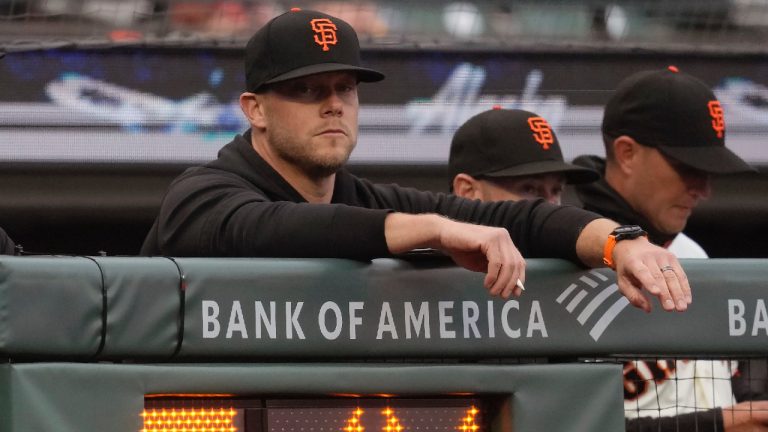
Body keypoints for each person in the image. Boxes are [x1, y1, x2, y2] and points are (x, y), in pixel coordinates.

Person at [141, 8, 692, 314]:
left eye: (345, 88)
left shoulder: (360, 198)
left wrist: (618, 241)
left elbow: (518, 218)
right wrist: (433, 228)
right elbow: (269, 227)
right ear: (254, 109)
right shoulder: (203, 192)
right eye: (307, 90)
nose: (334, 104)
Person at [572, 66, 767, 431]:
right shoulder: (570, 263)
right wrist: (718, 425)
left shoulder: (693, 253)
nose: (703, 189)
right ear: (627, 154)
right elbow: (562, 424)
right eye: (688, 167)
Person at [448, 107, 599, 204]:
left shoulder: (567, 253)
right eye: (529, 189)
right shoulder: (429, 253)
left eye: (556, 190)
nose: (552, 207)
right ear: (467, 192)